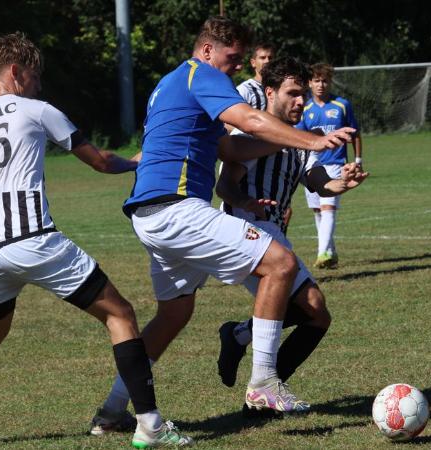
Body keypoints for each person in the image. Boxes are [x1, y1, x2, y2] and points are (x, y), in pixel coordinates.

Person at [0, 32, 191, 448]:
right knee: (120, 315)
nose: (39, 84)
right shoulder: (37, 109)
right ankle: (150, 424)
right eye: (35, 75)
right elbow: (99, 161)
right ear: (15, 72)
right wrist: (135, 162)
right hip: (36, 242)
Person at [89, 16, 355, 433]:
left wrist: (291, 139)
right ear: (208, 49)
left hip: (149, 212)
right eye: (232, 58)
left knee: (174, 314)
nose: (235, 68)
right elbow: (247, 121)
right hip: (175, 207)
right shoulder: (200, 74)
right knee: (280, 264)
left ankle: (111, 410)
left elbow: (227, 144)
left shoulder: (169, 83)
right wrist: (313, 139)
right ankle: (264, 382)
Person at [215, 57, 368, 407]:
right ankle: (262, 386)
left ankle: (244, 345)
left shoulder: (303, 139)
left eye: (303, 94)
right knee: (314, 305)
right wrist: (247, 202)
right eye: (293, 93)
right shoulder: (252, 134)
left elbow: (318, 182)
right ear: (270, 92)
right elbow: (224, 186)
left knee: (316, 314)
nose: (301, 101)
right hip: (245, 232)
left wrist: (343, 182)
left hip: (272, 235)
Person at [297, 62, 363, 269]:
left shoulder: (342, 105)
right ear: (309, 83)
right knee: (318, 210)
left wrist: (358, 160)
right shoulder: (304, 107)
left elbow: (355, 133)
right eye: (316, 80)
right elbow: (299, 136)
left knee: (327, 207)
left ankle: (322, 252)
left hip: (335, 164)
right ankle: (331, 252)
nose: (321, 85)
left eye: (325, 80)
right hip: (313, 164)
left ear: (330, 82)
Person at [236, 43, 275, 111]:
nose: (267, 61)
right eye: (262, 58)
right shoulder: (245, 89)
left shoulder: (278, 88)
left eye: (270, 58)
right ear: (253, 63)